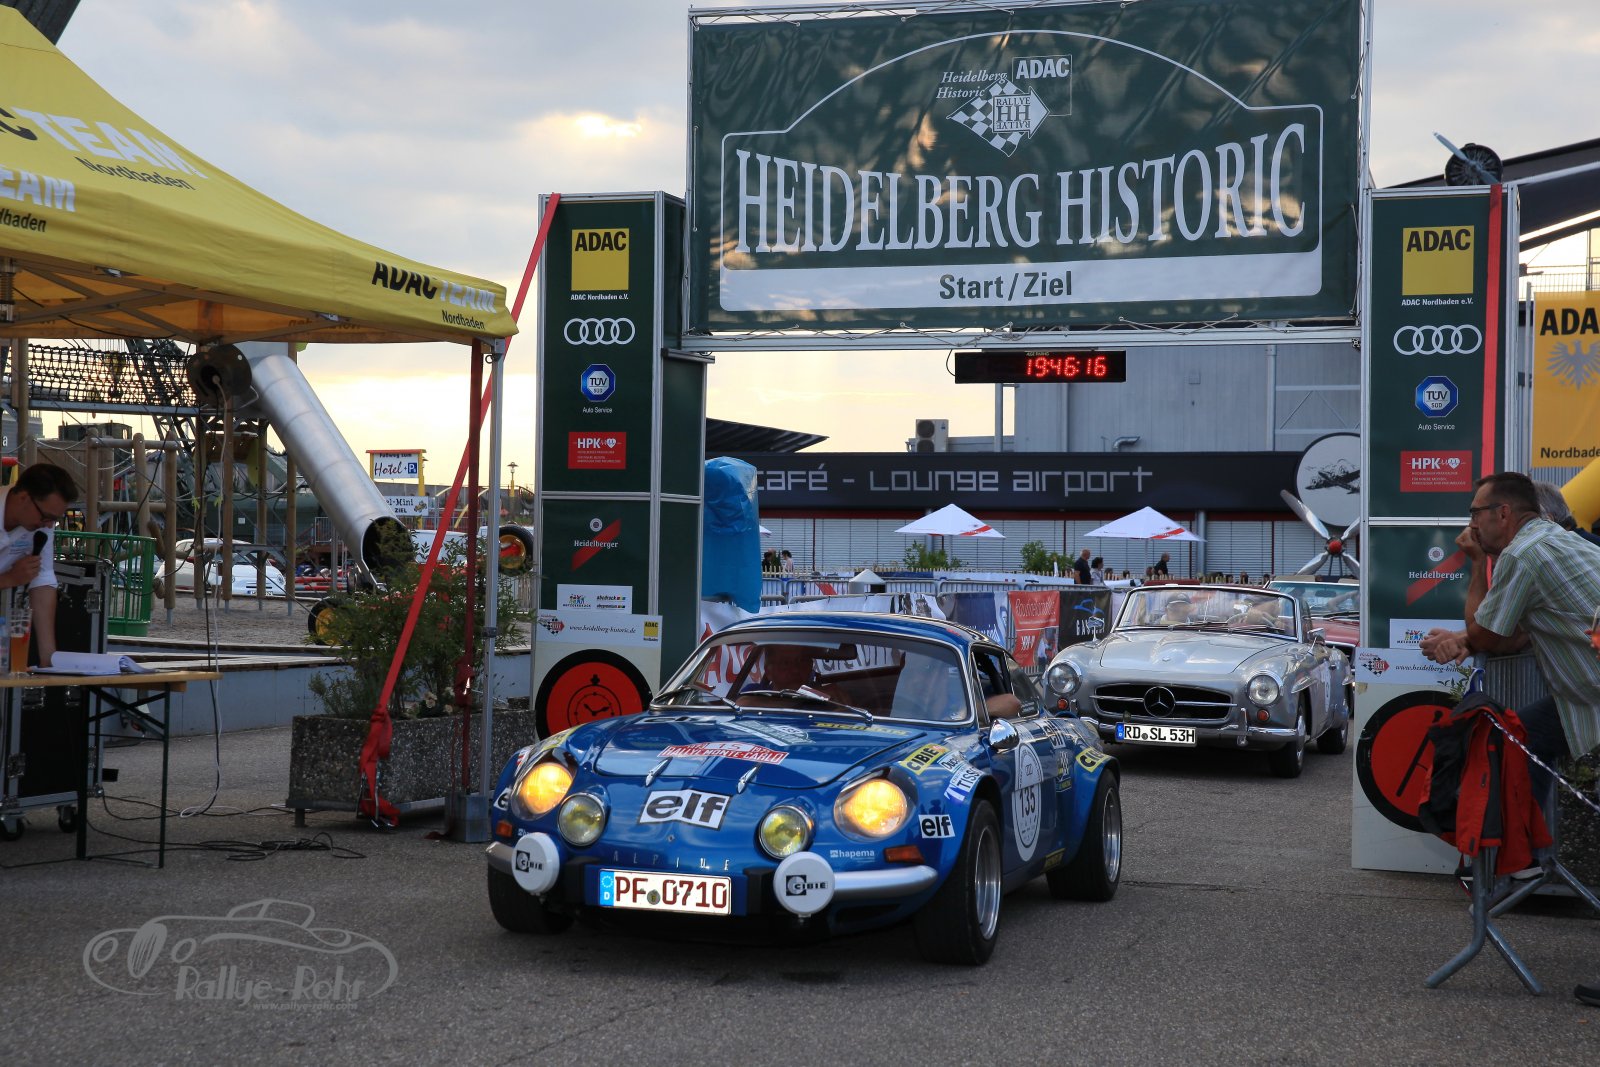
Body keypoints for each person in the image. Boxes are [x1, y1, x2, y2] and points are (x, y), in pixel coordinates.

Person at [1418, 472, 1600, 1007]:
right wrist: (1467, 639)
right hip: (1584, 697)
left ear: (1504, 514)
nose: (1470, 524)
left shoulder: (1524, 553)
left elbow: (1491, 635)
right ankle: (1527, 855)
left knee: (1514, 735)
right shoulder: (1552, 542)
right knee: (1519, 734)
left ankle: (1522, 855)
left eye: (1476, 512)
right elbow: (1514, 633)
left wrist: (1476, 569)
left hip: (1590, 694)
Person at [0, 463, 80, 669]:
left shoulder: (41, 522)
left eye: (54, 520)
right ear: (24, 497)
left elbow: (42, 580)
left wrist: (49, 659)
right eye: (46, 517)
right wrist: (8, 579)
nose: (48, 525)